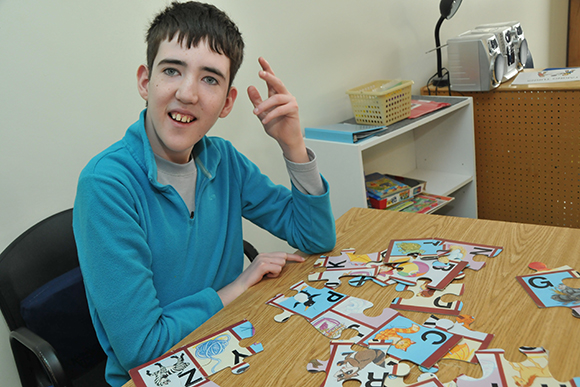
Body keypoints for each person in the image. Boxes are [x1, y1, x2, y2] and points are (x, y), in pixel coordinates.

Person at [72, 1, 336, 386]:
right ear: (146, 82)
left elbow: (316, 237)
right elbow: (143, 349)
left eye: (210, 78)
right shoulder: (106, 185)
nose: (188, 93)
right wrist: (238, 286)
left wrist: (293, 146)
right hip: (160, 374)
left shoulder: (223, 159)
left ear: (227, 102)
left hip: (235, 341)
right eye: (172, 70)